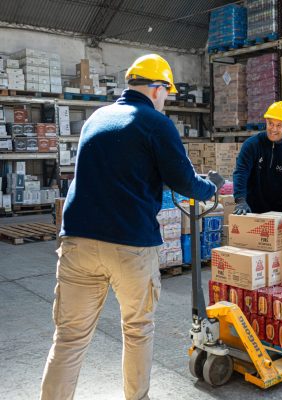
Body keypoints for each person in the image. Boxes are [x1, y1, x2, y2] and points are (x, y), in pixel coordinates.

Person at [40, 54, 224, 400]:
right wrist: (211, 188)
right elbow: (183, 181)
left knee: (69, 338)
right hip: (130, 244)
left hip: (77, 241)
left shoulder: (96, 118)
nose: (165, 99)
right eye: (165, 92)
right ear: (156, 89)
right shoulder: (155, 123)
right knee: (137, 330)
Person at [232, 101, 282, 215]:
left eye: (279, 125)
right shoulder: (252, 145)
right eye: (270, 123)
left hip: (277, 215)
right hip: (249, 211)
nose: (273, 129)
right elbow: (241, 172)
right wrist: (240, 201)